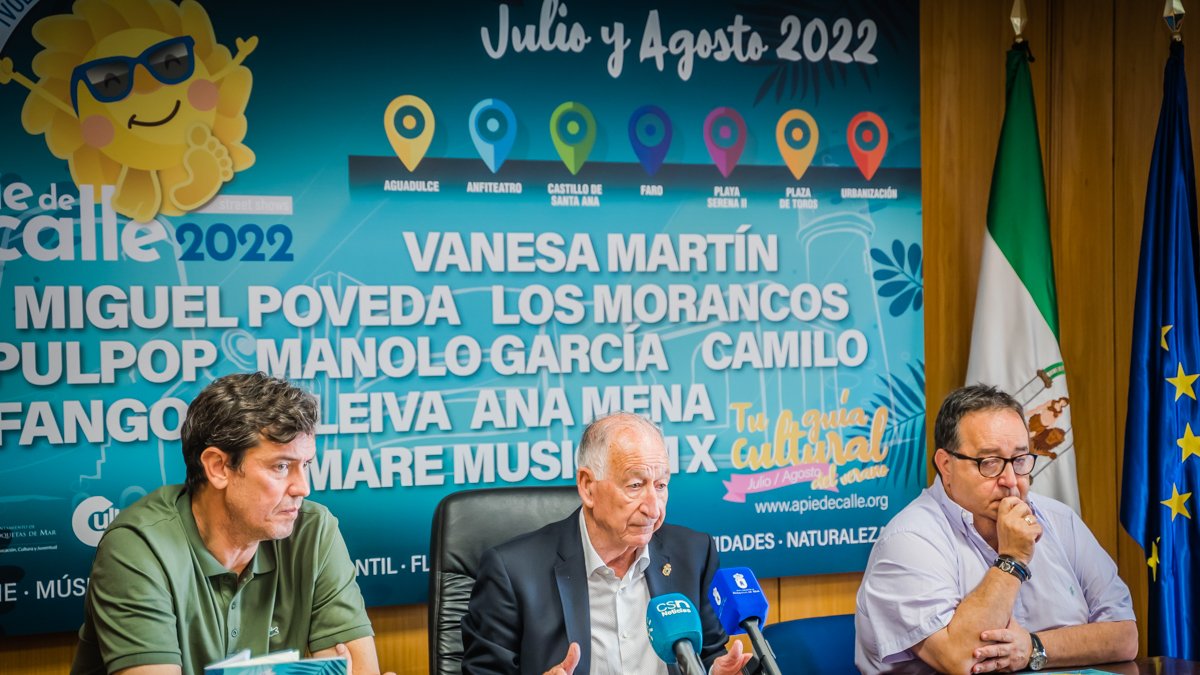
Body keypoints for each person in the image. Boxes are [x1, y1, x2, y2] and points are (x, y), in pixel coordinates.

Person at [71, 372, 389, 675]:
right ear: (219, 467)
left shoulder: (313, 531)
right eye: (281, 466)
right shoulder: (137, 548)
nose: (303, 488)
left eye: (305, 465)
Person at [855, 384, 1137, 674]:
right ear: (946, 465)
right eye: (989, 463)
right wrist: (1012, 559)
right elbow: (963, 660)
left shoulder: (1060, 520)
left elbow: (1125, 637)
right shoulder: (909, 540)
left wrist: (1033, 647)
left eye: (1019, 460)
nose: (1011, 480)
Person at [461, 412, 752, 675]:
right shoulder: (513, 572)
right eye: (635, 485)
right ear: (588, 486)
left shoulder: (693, 553)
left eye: (661, 485)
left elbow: (709, 651)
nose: (653, 509)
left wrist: (716, 672)